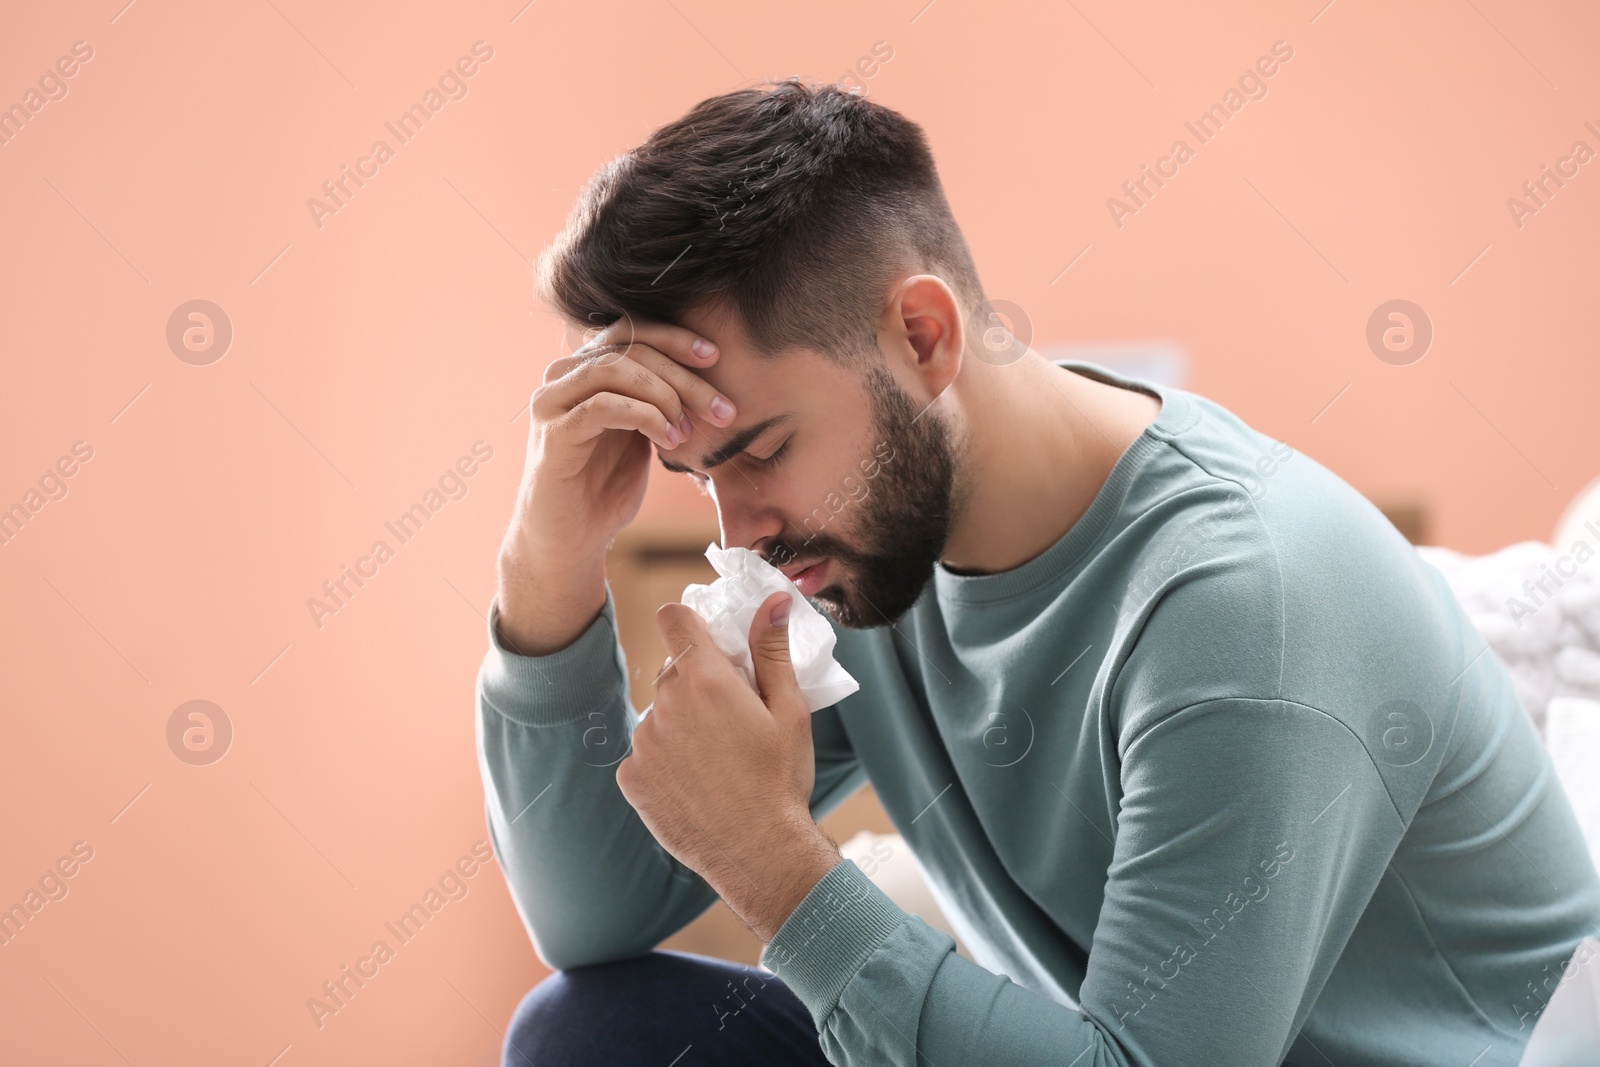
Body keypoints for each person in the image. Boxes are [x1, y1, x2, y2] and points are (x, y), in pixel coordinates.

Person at [476, 78, 1600, 1066]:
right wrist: (551, 551)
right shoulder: (872, 544)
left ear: (922, 336)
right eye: (693, 471)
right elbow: (593, 920)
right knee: (591, 1031)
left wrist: (776, 867)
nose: (742, 526)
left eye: (761, 449)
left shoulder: (1245, 600)